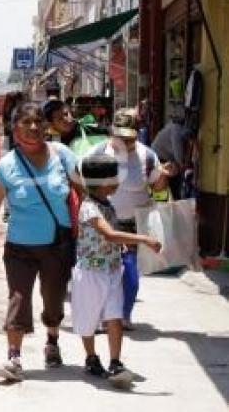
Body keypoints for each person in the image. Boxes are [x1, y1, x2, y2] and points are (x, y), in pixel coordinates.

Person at [0, 102, 80, 382]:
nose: (33, 128)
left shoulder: (63, 155)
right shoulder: (5, 167)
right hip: (19, 246)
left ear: (46, 126)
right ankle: (14, 356)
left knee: (53, 298)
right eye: (26, 123)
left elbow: (83, 192)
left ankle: (52, 340)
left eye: (38, 122)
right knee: (18, 298)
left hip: (58, 244)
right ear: (14, 129)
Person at [72, 154, 161, 387]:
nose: (119, 182)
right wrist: (143, 239)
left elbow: (111, 234)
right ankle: (91, 358)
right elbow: (108, 233)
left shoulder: (106, 204)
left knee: (114, 316)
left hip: (111, 270)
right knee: (88, 319)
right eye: (115, 178)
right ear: (102, 182)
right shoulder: (90, 207)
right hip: (91, 273)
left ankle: (115, 362)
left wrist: (120, 244)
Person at [89, 108, 172, 328]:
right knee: (103, 273)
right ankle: (104, 317)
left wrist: (164, 176)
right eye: (120, 137)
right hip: (105, 222)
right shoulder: (98, 152)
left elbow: (157, 187)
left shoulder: (147, 156)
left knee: (130, 275)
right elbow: (85, 187)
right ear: (112, 134)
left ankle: (123, 315)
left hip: (134, 225)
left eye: (129, 138)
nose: (125, 142)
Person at [150, 111, 193, 200]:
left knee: (168, 182)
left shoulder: (173, 127)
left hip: (161, 157)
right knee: (172, 181)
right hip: (160, 158)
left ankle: (170, 200)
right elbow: (178, 153)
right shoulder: (176, 131)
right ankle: (173, 201)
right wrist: (182, 165)